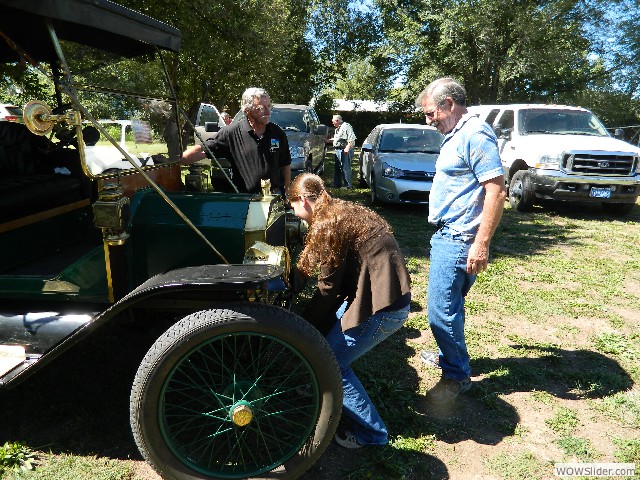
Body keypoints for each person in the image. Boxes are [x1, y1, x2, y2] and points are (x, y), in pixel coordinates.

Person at [289, 172, 411, 449]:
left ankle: (373, 434)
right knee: (324, 343)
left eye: (292, 206)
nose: (294, 214)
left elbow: (328, 289)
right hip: (375, 295)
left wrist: (299, 326)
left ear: (303, 200)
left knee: (334, 362)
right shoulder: (337, 211)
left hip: (383, 307)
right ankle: (319, 383)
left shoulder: (330, 223)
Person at [416, 77, 506, 404]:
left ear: (449, 105)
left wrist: (480, 244)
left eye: (430, 114)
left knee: (440, 312)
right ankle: (451, 357)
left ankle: (456, 376)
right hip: (449, 234)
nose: (428, 121)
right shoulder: (457, 133)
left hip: (459, 238)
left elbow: (496, 190)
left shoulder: (474, 133)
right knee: (451, 307)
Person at [183, 88, 291, 195]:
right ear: (247, 110)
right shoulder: (231, 133)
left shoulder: (277, 133)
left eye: (268, 106)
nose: (268, 112)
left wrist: (286, 193)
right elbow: (202, 150)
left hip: (274, 199)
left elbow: (285, 165)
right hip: (245, 201)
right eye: (261, 108)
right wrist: (176, 161)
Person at [326, 114, 356, 188]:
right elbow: (338, 138)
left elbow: (352, 139)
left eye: (333, 122)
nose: (333, 124)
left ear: (337, 121)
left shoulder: (346, 126)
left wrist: (347, 148)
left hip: (344, 150)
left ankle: (348, 186)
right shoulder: (338, 128)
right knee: (338, 168)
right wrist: (328, 140)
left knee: (345, 168)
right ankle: (337, 184)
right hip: (338, 150)